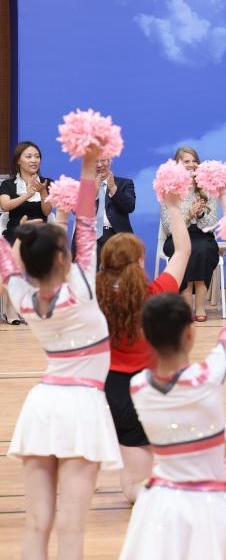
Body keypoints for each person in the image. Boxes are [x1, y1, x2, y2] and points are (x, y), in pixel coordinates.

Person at [117, 216, 226, 560]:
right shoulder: (208, 376)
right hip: (209, 504)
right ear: (190, 333)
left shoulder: (138, 386)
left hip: (159, 504)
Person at [0, 146, 122, 559]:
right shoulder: (83, 288)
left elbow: (7, 260)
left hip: (42, 405)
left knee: (37, 522)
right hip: (82, 406)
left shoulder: (22, 297)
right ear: (61, 256)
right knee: (70, 525)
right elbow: (87, 222)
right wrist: (88, 163)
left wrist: (14, 245)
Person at [98, 186, 191, 503]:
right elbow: (182, 252)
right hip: (152, 388)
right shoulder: (156, 292)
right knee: (148, 479)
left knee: (131, 482)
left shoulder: (96, 299)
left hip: (114, 390)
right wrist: (174, 206)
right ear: (141, 260)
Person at [162, 146, 222, 322]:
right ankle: (187, 307)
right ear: (176, 164)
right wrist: (188, 215)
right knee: (186, 251)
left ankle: (201, 306)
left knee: (202, 250)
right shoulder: (168, 188)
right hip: (178, 236)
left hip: (203, 235)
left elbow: (211, 224)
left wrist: (201, 213)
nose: (191, 165)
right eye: (186, 161)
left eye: (194, 161)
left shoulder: (207, 187)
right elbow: (167, 226)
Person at [0, 141, 52, 243]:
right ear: (18, 161)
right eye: (29, 157)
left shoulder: (47, 183)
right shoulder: (8, 184)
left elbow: (47, 212)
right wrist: (27, 195)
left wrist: (43, 192)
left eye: (37, 157)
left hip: (40, 234)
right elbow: (5, 206)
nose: (34, 160)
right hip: (15, 233)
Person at [94, 155, 136, 257]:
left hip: (117, 235)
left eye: (103, 160)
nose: (99, 165)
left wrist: (113, 188)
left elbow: (130, 207)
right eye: (95, 161)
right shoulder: (84, 186)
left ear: (109, 161)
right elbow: (77, 213)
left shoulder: (124, 183)